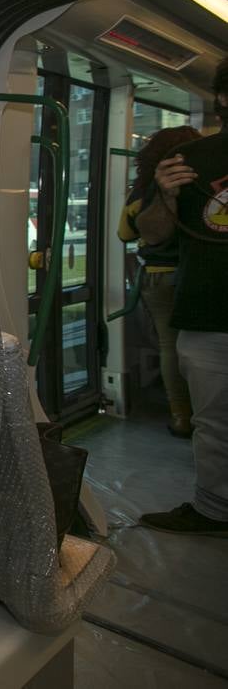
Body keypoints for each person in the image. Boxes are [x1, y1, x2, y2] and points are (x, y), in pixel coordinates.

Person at [138, 68, 228, 538]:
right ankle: (214, 510)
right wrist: (167, 195)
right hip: (207, 311)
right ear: (222, 98)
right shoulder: (189, 159)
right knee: (212, 423)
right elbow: (152, 233)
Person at [118, 125, 202, 437]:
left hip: (158, 276)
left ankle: (181, 416)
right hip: (198, 274)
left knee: (170, 346)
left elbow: (125, 233)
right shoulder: (204, 184)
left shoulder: (142, 190)